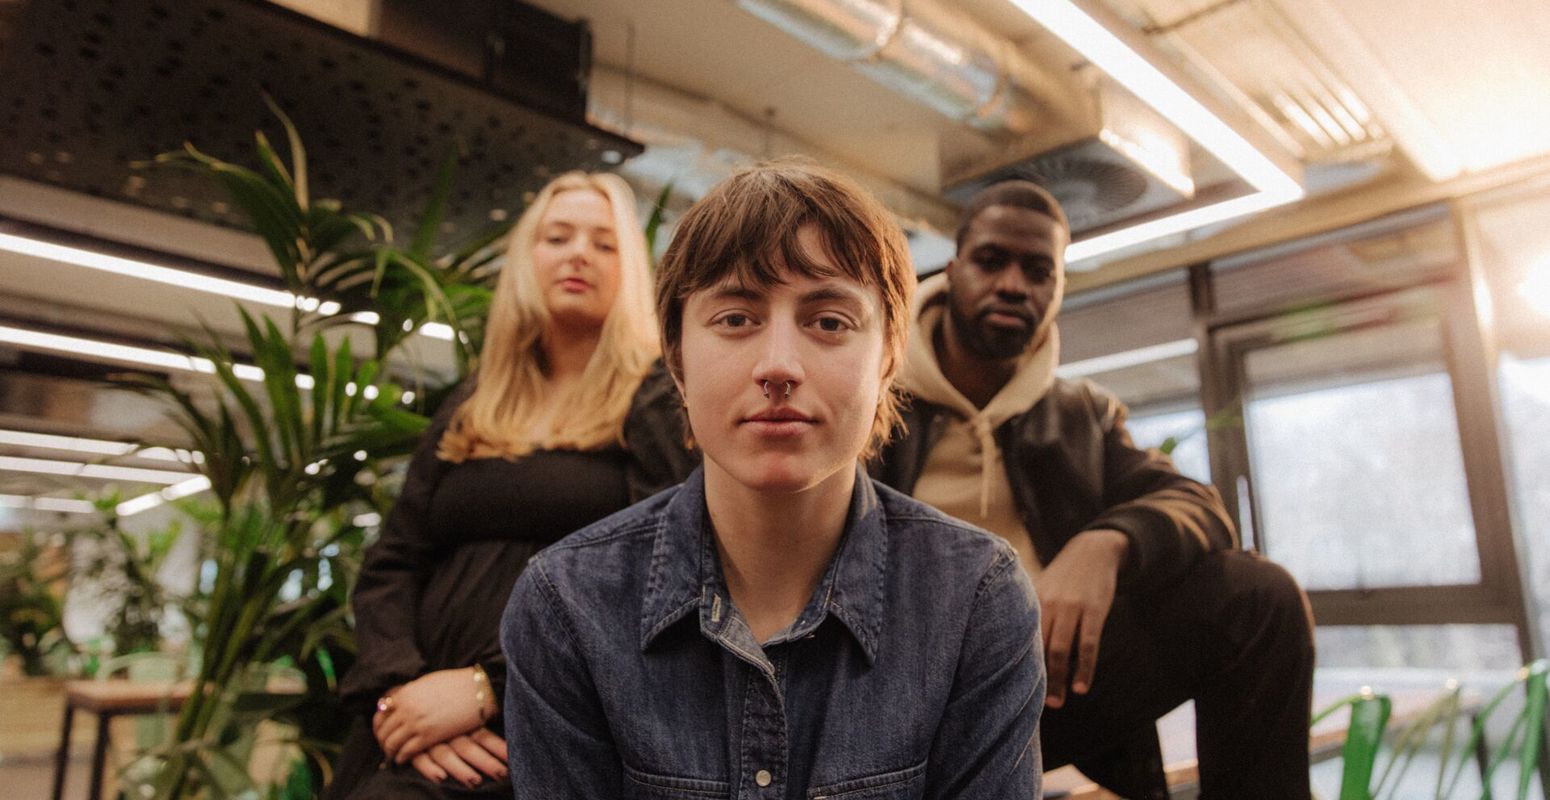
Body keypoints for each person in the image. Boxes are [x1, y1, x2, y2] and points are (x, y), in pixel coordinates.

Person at [500, 161, 1046, 798]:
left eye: (829, 322)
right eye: (735, 318)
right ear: (676, 358)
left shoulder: (976, 600)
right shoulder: (567, 607)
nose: (779, 366)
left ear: (889, 357)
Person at [871, 179, 1316, 798]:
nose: (1012, 284)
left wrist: (1104, 544)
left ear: (1055, 291)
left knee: (1257, 598)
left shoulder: (1080, 415)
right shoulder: (870, 394)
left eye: (1038, 270)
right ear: (952, 270)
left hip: (1046, 682)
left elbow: (1201, 508)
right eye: (991, 260)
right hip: (894, 697)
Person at [331, 171, 694, 799]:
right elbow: (393, 561)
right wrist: (404, 693)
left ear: (631, 270)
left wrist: (487, 689)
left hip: (554, 719)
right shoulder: (473, 400)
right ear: (528, 260)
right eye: (558, 236)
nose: (578, 252)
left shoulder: (656, 397)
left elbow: (661, 573)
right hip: (415, 717)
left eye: (604, 243)